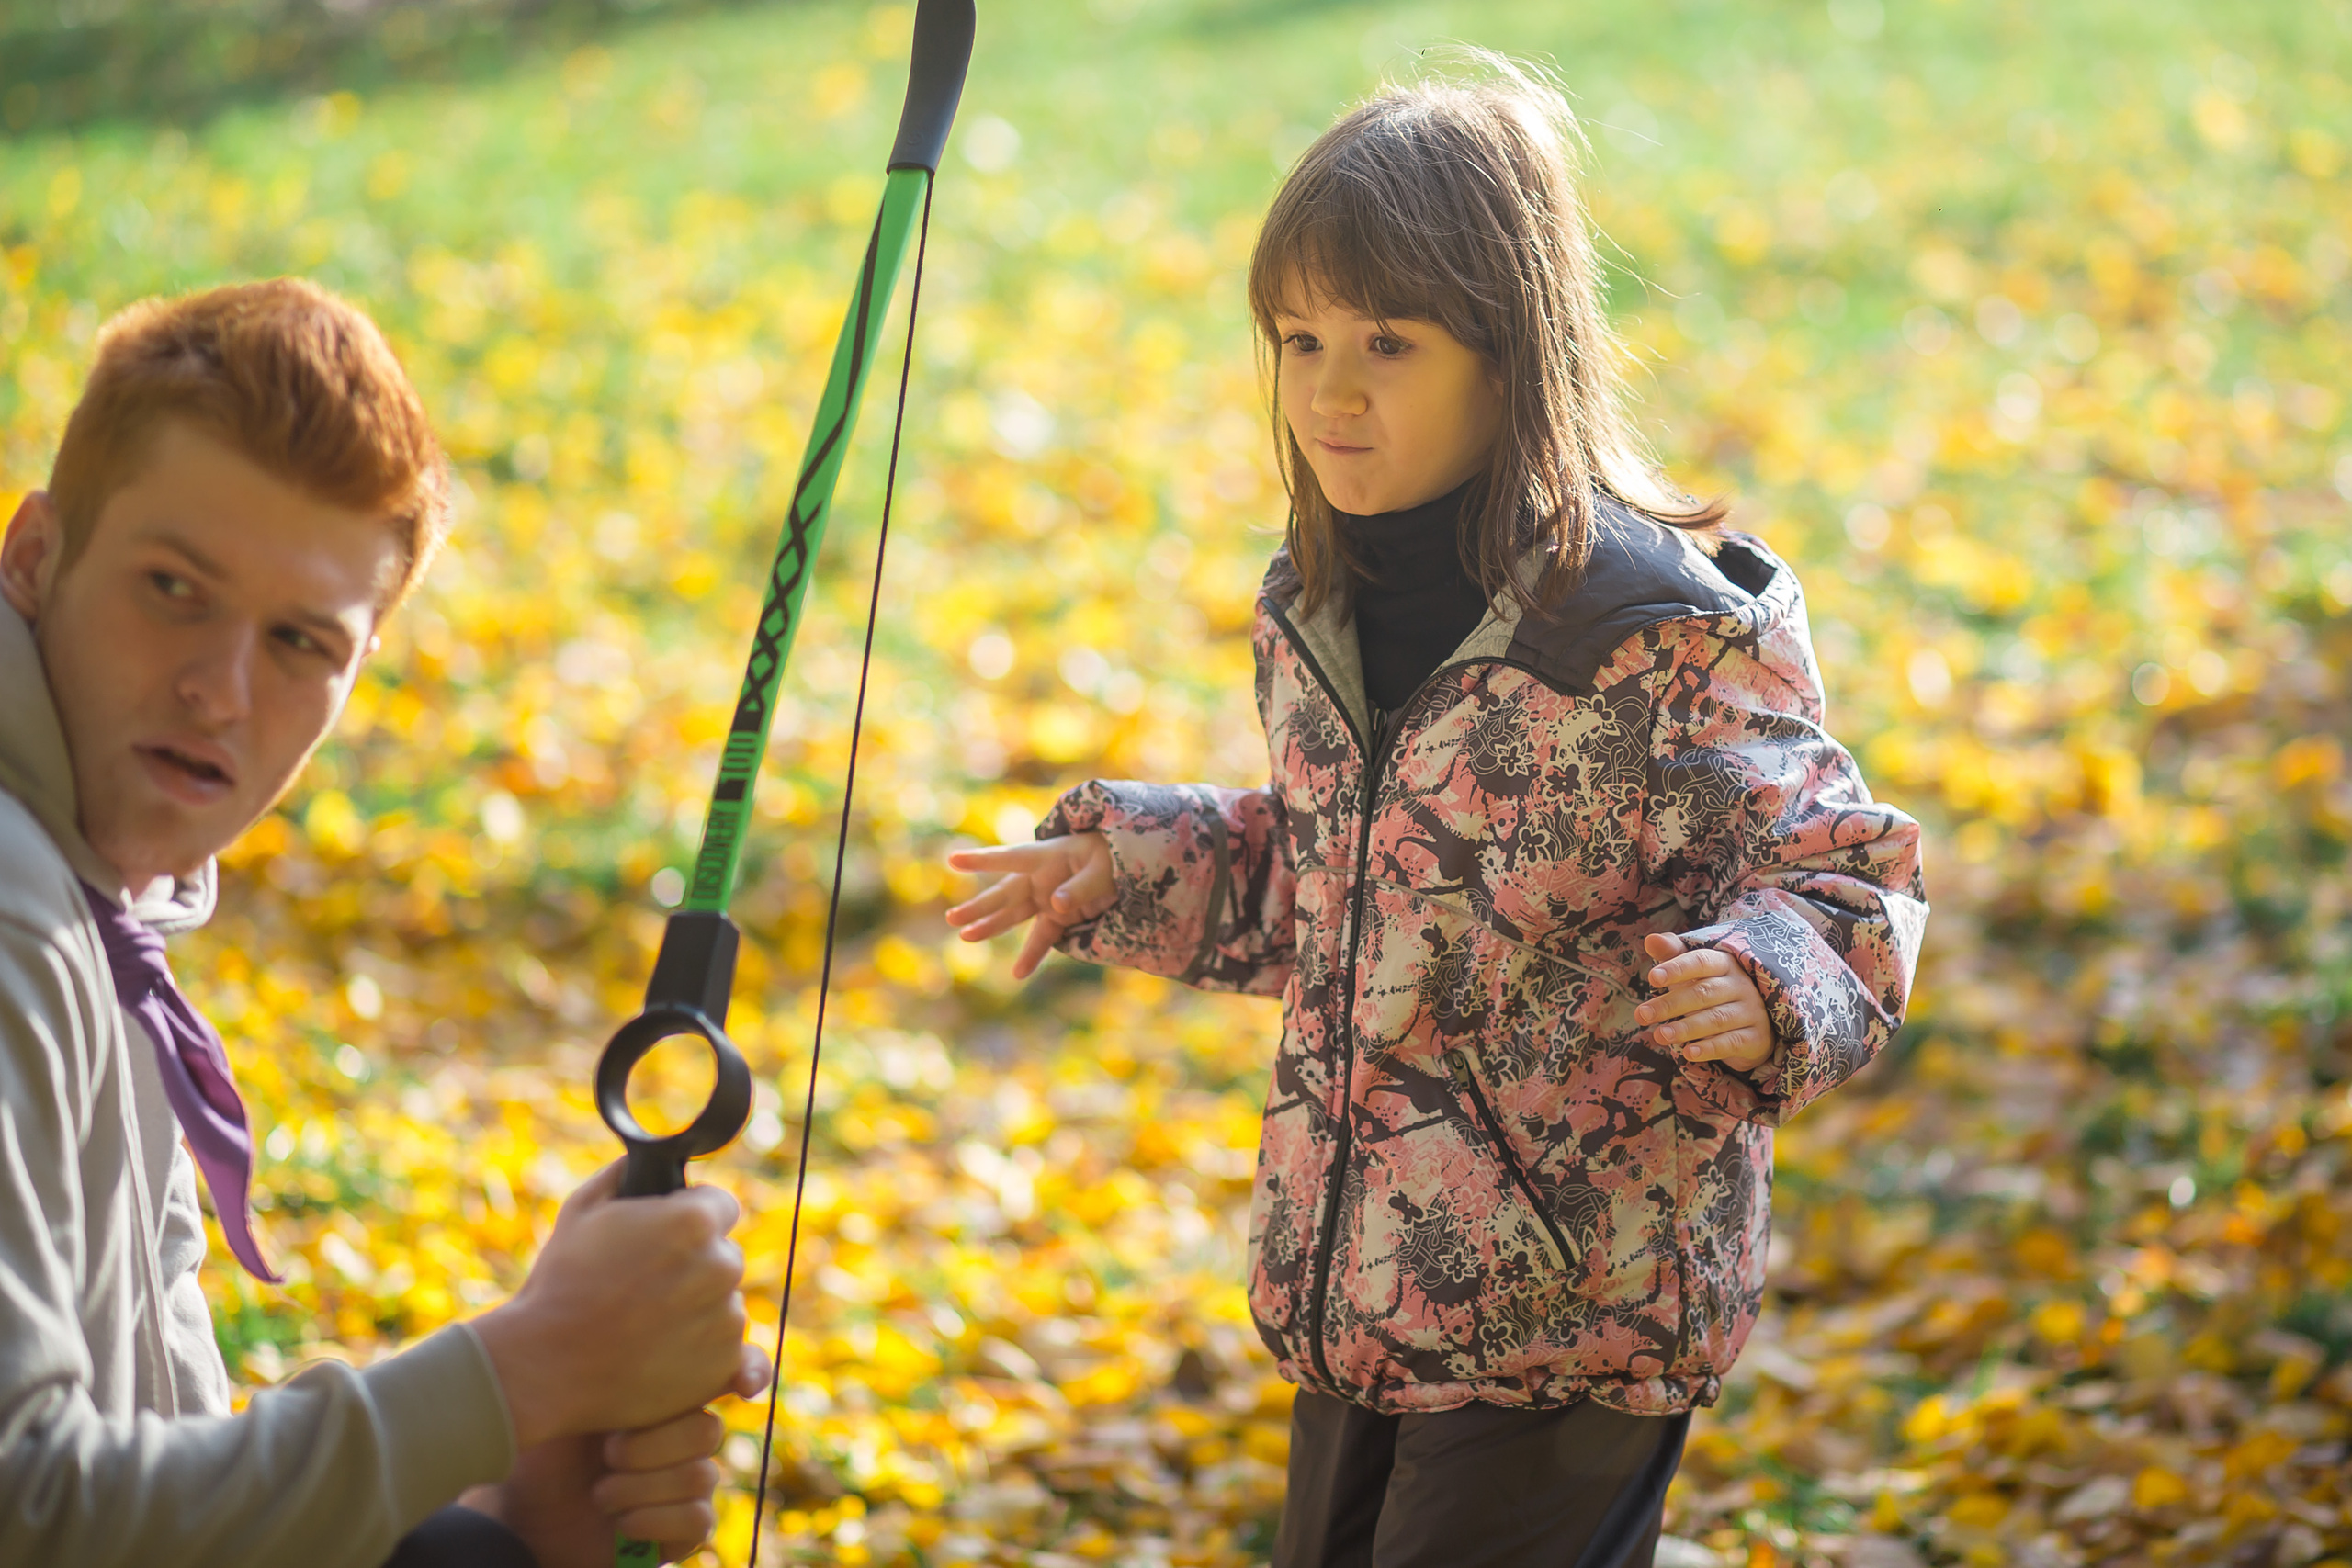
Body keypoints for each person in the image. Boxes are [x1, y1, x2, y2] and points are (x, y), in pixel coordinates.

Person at [944, 56, 1927, 1568]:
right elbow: (1352, 883)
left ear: (1511, 352)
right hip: (1364, 1277)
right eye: (1299, 340)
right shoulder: (1323, 601)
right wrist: (1128, 866)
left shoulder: (1654, 636)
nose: (1330, 391)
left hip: (1572, 1299)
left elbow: (1847, 883)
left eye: (1388, 345)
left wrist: (1765, 977)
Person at [0, 278, 770, 1567]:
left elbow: (152, 1440)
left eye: (301, 641)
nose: (220, 691)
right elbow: (30, 1510)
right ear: (32, 555)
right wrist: (518, 1373)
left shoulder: (107, 891)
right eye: (174, 588)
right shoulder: (17, 915)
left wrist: (520, 1501)